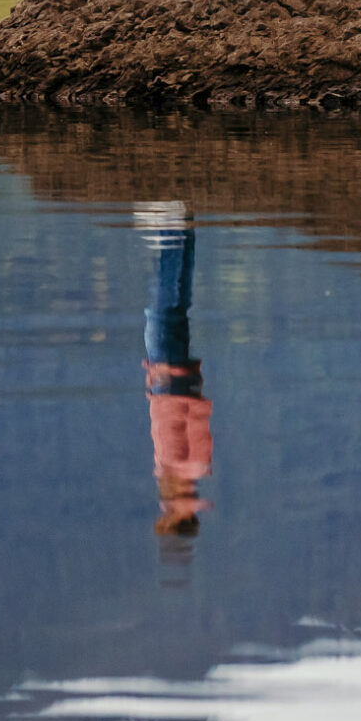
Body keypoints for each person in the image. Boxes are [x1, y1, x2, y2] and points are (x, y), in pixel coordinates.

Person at [138, 201, 213, 542]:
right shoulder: (191, 468)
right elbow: (197, 415)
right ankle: (173, 227)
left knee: (174, 303)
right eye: (171, 513)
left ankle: (181, 228)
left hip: (165, 378)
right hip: (170, 377)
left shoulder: (169, 472)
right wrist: (170, 379)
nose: (165, 505)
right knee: (164, 306)